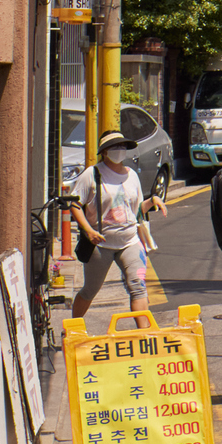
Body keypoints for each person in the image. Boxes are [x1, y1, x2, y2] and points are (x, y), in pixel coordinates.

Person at [70, 129, 162, 320]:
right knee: (90, 291)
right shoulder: (92, 175)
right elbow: (75, 205)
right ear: (104, 151)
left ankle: (143, 336)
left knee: (138, 287)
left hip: (130, 241)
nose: (119, 151)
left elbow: (136, 211)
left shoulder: (131, 175)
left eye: (122, 146)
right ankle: (72, 328)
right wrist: (88, 231)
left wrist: (153, 200)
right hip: (100, 244)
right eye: (113, 147)